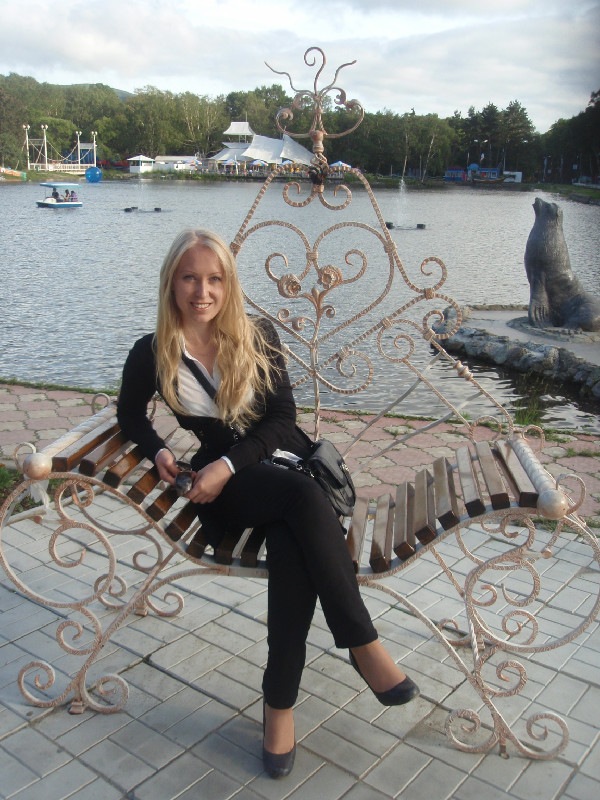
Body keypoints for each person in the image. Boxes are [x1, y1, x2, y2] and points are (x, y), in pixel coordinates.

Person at [117, 229, 420, 779]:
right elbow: (130, 415)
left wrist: (231, 462)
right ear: (171, 283)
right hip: (225, 491)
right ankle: (363, 643)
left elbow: (283, 418)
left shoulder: (256, 334)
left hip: (275, 465)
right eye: (190, 278)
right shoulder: (153, 351)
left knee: (290, 539)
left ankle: (278, 706)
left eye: (214, 279)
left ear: (228, 283)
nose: (202, 292)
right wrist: (161, 451)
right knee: (300, 500)